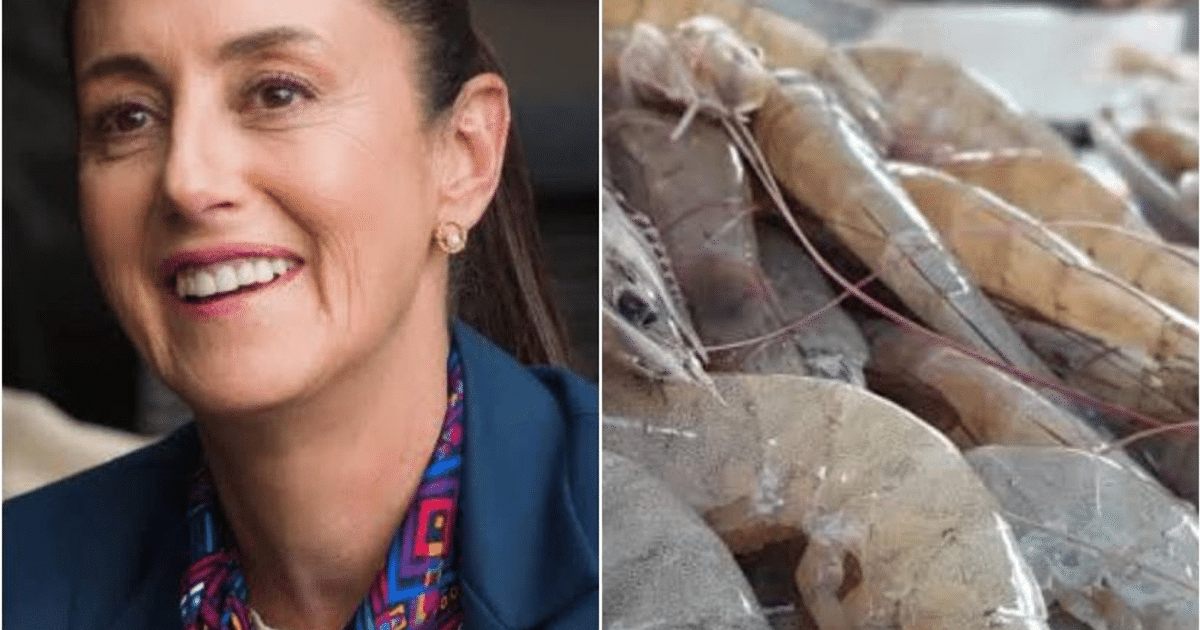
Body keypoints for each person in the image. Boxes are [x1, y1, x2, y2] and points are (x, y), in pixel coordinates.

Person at [2, 0, 598, 628]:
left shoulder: (633, 546)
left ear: (464, 154)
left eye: (277, 93)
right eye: (128, 116)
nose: (187, 181)